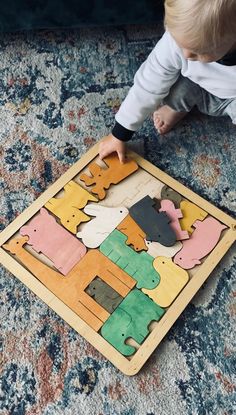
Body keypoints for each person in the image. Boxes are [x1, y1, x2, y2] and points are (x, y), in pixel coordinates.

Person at [99, 0, 236, 163]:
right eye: (180, 45)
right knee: (172, 91)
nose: (185, 55)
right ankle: (177, 108)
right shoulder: (176, 43)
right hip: (197, 84)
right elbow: (149, 82)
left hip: (232, 97)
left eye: (198, 52)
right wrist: (119, 134)